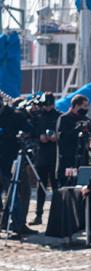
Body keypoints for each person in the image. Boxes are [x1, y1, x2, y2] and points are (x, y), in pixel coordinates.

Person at [0, 98, 33, 235]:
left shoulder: (15, 115)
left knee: (14, 193)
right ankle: (5, 222)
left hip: (10, 159)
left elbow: (29, 130)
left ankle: (16, 224)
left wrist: (13, 135)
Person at [30, 93, 60, 226]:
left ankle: (56, 217)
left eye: (50, 104)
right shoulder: (37, 116)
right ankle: (38, 215)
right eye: (46, 104)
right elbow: (31, 134)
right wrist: (39, 138)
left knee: (56, 187)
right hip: (41, 155)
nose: (48, 107)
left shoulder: (59, 115)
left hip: (54, 156)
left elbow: (64, 133)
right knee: (40, 187)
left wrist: (56, 137)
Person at [56, 95, 91, 188]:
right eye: (84, 106)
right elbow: (62, 137)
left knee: (83, 183)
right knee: (70, 182)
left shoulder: (85, 119)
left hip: (83, 157)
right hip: (69, 158)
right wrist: (76, 129)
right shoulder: (64, 118)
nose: (86, 108)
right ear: (76, 105)